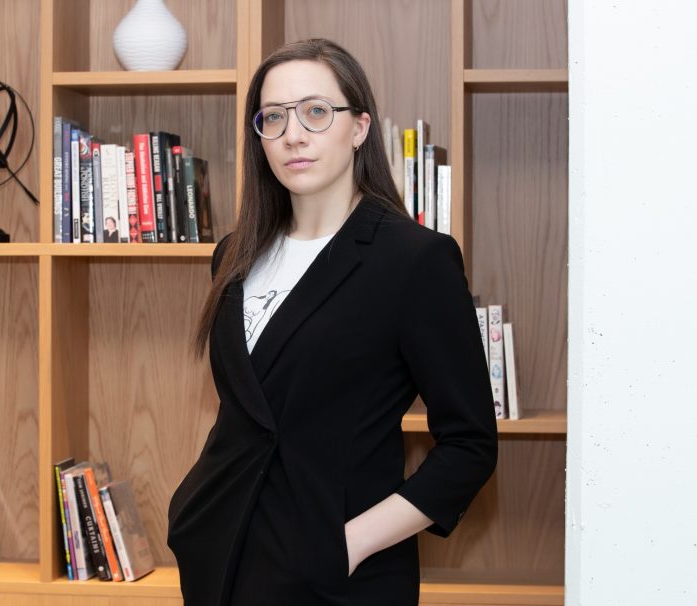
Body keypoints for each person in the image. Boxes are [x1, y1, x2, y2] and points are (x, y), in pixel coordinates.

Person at [167, 39, 498, 606]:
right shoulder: (233, 255)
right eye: (273, 118)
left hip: (339, 580)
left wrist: (345, 545)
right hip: (219, 559)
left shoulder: (414, 260)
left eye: (316, 112)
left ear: (360, 127)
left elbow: (469, 445)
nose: (293, 134)